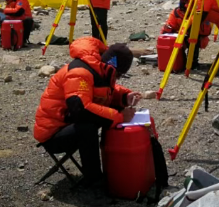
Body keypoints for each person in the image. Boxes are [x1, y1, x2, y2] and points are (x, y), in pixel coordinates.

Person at [34, 38, 140, 185]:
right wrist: (120, 116)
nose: (118, 78)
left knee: (105, 115)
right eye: (119, 74)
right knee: (88, 126)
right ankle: (94, 179)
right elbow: (80, 109)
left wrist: (124, 97)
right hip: (53, 135)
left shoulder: (97, 68)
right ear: (112, 67)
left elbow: (100, 92)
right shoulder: (79, 73)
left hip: (68, 122)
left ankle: (113, 168)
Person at [161, 0, 212, 68]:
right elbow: (168, 28)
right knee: (169, 38)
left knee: (194, 37)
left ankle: (192, 62)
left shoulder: (200, 11)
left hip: (197, 38)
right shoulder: (177, 12)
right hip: (181, 36)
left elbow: (205, 31)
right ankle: (179, 60)